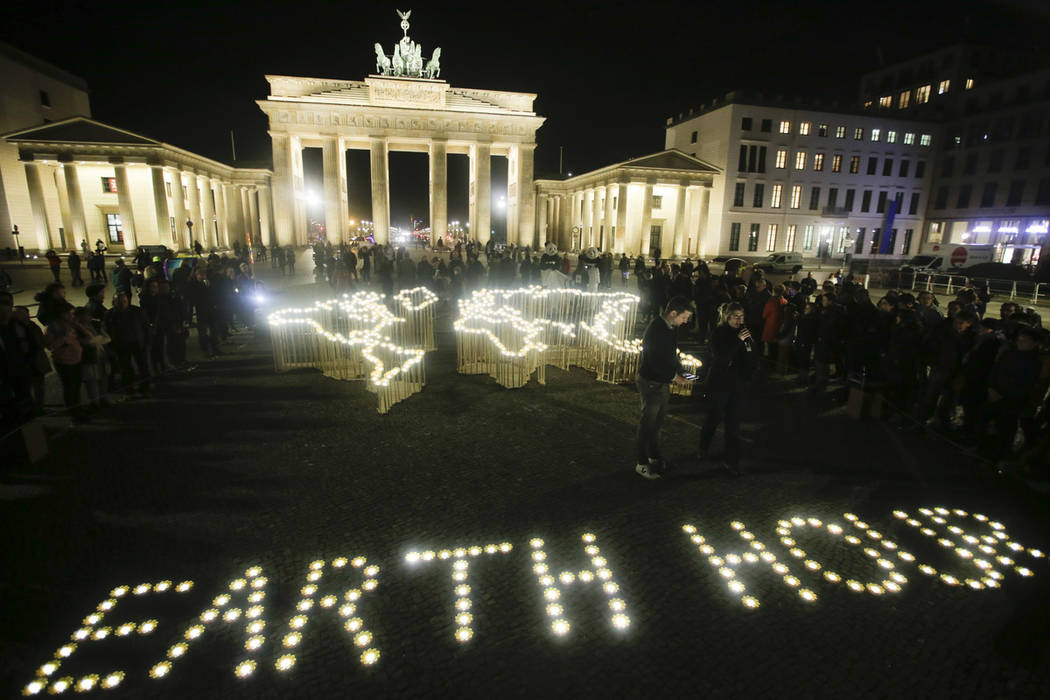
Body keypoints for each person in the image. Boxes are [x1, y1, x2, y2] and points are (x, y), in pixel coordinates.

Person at [635, 295, 694, 480]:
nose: (685, 322)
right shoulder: (657, 330)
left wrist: (680, 369)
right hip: (652, 381)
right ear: (673, 313)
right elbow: (652, 361)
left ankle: (654, 457)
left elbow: (671, 354)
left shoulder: (669, 327)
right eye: (684, 318)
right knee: (647, 424)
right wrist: (673, 376)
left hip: (661, 382)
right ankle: (641, 463)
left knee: (657, 424)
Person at [697, 302, 757, 474]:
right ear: (727, 317)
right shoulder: (718, 333)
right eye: (736, 316)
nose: (740, 320)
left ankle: (731, 461)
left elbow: (753, 355)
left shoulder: (745, 333)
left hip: (738, 385)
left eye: (742, 316)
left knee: (733, 424)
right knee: (714, 418)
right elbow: (721, 358)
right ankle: (703, 446)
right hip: (720, 384)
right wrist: (738, 341)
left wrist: (750, 346)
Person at [104, 291, 151, 395]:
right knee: (126, 368)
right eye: (119, 302)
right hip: (121, 345)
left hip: (137, 343)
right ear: (114, 302)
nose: (122, 304)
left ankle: (145, 387)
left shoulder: (137, 311)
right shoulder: (110, 315)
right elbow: (107, 331)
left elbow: (146, 327)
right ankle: (129, 389)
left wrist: (147, 341)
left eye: (124, 301)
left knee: (143, 366)